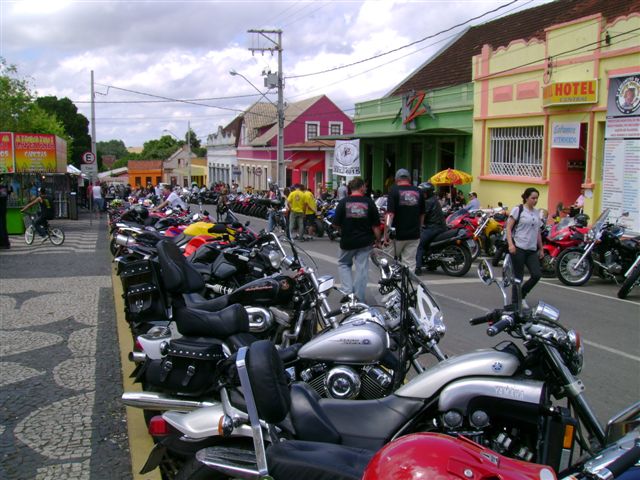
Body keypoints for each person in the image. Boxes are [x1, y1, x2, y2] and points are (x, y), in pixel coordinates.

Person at [333, 177, 381, 303]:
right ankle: (359, 299)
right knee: (362, 269)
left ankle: (348, 293)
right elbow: (376, 226)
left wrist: (342, 230)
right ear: (361, 187)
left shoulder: (343, 202)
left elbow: (336, 224)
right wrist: (378, 240)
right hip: (365, 242)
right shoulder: (369, 202)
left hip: (347, 241)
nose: (366, 188)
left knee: (344, 264)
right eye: (365, 186)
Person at [506, 187, 544, 308]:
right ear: (526, 198)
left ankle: (522, 295)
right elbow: (508, 228)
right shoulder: (518, 210)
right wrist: (511, 244)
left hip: (531, 249)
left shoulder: (537, 212)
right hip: (519, 247)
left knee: (536, 274)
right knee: (518, 277)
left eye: (537, 198)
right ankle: (515, 302)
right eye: (533, 198)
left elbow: (537, 232)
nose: (535, 200)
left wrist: (541, 248)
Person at [382, 168, 425, 272]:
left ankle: (391, 282)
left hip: (397, 235)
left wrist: (386, 234)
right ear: (409, 179)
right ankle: (407, 282)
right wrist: (419, 228)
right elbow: (422, 214)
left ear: (397, 179)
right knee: (409, 263)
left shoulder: (393, 191)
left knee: (388, 262)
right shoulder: (419, 191)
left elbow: (390, 215)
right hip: (414, 235)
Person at [415, 182, 447, 275]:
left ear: (427, 193)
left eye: (423, 192)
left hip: (433, 227)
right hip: (439, 227)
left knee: (419, 244)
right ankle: (432, 264)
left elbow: (422, 215)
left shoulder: (428, 202)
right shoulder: (434, 200)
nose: (421, 195)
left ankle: (418, 268)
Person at [0, 177, 13, 249]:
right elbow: (10, 192)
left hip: (2, 209)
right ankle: (5, 243)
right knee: (3, 225)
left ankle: (4, 243)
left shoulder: (4, 187)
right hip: (3, 209)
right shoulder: (6, 187)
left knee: (1, 226)